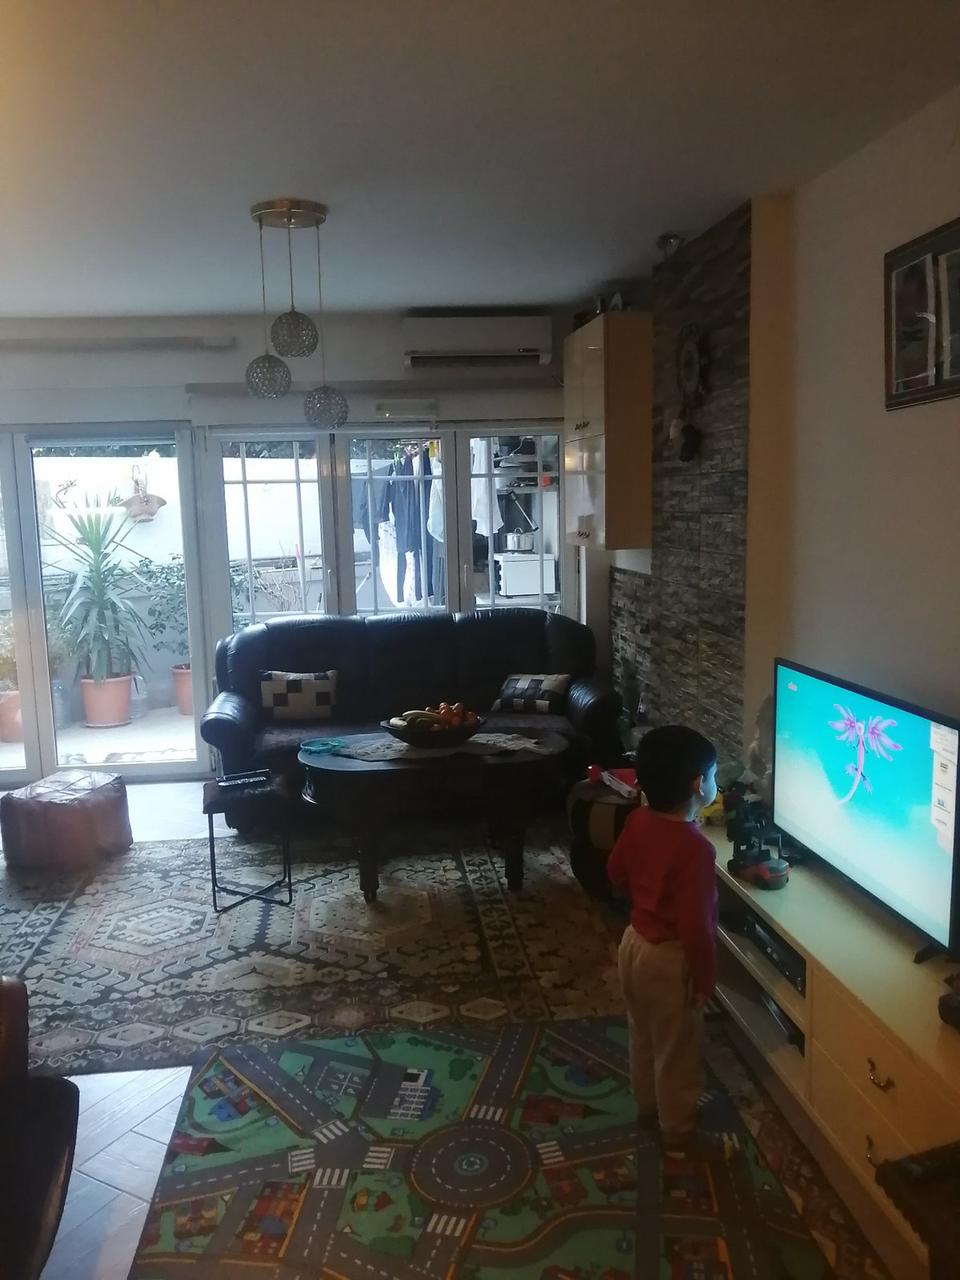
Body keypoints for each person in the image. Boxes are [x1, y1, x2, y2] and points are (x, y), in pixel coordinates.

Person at [607, 725, 718, 1150]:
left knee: (643, 1033)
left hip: (633, 944)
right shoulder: (696, 850)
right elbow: (697, 926)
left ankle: (647, 1106)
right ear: (698, 785)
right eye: (714, 776)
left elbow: (616, 872)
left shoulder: (637, 820)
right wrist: (704, 980)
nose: (716, 783)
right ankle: (679, 1129)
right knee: (678, 1048)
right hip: (670, 959)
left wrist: (644, 894)